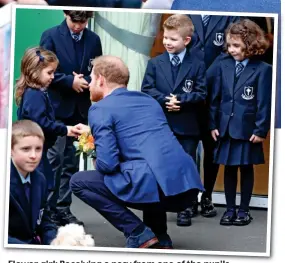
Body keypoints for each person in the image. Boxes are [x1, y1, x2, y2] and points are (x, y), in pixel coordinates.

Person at [70, 55, 204, 249]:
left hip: (155, 184)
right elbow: (140, 140)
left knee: (79, 182)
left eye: (91, 78)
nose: (89, 84)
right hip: (184, 185)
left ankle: (138, 232)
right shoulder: (149, 101)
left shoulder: (100, 109)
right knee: (144, 169)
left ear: (100, 79)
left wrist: (96, 155)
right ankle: (160, 236)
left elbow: (108, 164)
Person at [141, 14, 207, 227]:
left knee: (186, 165)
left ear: (186, 40)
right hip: (162, 125)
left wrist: (182, 100)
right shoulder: (155, 63)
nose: (167, 42)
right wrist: (165, 100)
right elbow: (147, 89)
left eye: (173, 39)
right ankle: (160, 203)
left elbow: (201, 92)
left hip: (187, 125)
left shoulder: (197, 64)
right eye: (165, 38)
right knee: (161, 164)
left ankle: (185, 208)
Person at [40, 10, 102, 226]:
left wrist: (83, 80)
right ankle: (46, 211)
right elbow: (43, 71)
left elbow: (97, 72)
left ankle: (63, 209)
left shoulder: (94, 39)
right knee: (54, 161)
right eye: (74, 21)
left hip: (80, 109)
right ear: (66, 14)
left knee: (70, 163)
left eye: (83, 22)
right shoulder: (50, 35)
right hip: (57, 110)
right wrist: (69, 81)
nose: (78, 26)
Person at [209, 19, 272, 226]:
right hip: (225, 126)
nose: (231, 49)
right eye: (229, 45)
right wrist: (213, 124)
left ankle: (244, 210)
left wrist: (261, 129)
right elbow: (215, 98)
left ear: (250, 43)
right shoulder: (222, 65)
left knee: (246, 168)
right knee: (228, 168)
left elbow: (264, 102)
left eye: (236, 45)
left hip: (248, 129)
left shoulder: (262, 69)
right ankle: (229, 209)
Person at [15, 47, 79, 223]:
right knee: (43, 188)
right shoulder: (35, 95)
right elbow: (41, 123)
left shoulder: (35, 93)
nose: (53, 77)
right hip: (38, 152)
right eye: (49, 72)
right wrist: (65, 129)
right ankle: (42, 223)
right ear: (35, 72)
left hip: (40, 150)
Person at [187, 14, 239, 218]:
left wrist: (205, 77)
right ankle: (190, 198)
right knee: (189, 149)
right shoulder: (186, 10)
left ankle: (207, 196)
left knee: (212, 148)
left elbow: (228, 50)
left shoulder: (227, 13)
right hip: (189, 92)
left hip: (217, 90)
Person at [9, 120, 57, 244]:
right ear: (10, 150)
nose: (33, 156)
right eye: (26, 149)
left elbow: (45, 219)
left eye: (38, 149)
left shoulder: (40, 179)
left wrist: (54, 242)